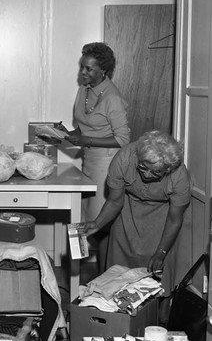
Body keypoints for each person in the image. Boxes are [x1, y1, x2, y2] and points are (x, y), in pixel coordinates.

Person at [80, 130, 191, 322]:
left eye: (156, 172)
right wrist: (96, 223)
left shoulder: (179, 175)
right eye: (143, 168)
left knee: (159, 271)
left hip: (163, 216)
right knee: (119, 267)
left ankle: (158, 318)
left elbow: (175, 219)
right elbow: (115, 201)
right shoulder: (124, 158)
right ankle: (118, 319)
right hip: (127, 209)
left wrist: (161, 252)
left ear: (168, 169)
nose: (147, 175)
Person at [65, 42, 130, 272]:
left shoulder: (113, 98)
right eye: (82, 66)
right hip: (88, 161)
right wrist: (63, 135)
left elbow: (123, 139)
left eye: (89, 69)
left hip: (107, 164)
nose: (83, 72)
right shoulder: (84, 88)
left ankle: (101, 275)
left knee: (98, 224)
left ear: (103, 70)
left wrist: (86, 140)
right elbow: (84, 129)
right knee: (82, 218)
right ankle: (81, 276)